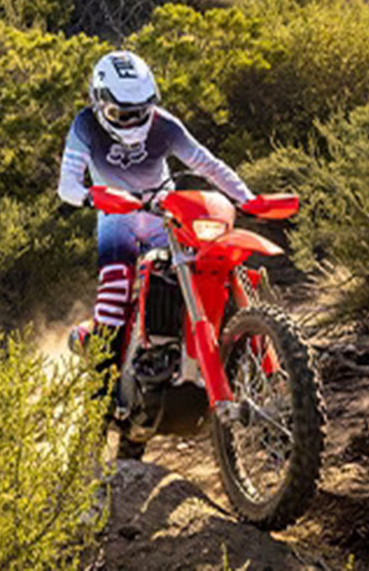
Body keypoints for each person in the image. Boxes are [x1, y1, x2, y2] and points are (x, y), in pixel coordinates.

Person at [58, 50, 255, 375]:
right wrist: (93, 198)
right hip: (115, 217)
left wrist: (247, 199)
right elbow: (67, 185)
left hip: (163, 212)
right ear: (98, 102)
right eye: (121, 115)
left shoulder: (165, 126)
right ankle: (101, 399)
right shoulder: (85, 125)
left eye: (141, 112)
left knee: (195, 272)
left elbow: (208, 166)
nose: (133, 122)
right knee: (115, 293)